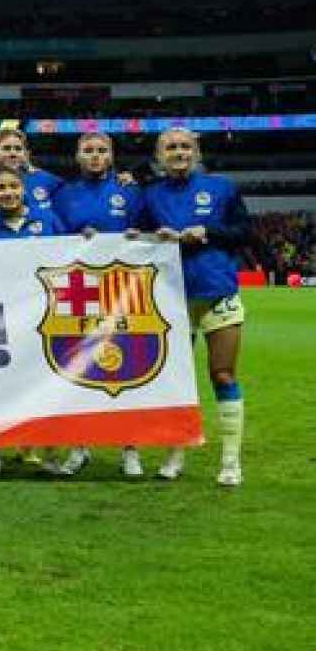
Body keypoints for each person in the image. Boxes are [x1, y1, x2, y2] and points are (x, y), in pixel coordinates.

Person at [135, 128, 250, 486]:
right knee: (177, 382)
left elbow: (244, 233)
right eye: (171, 147)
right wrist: (156, 237)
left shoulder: (222, 188)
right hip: (171, 299)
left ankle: (231, 461)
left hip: (218, 293)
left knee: (222, 375)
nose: (179, 152)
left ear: (196, 152)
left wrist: (208, 232)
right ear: (159, 154)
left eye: (185, 146)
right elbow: (135, 238)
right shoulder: (149, 195)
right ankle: (175, 453)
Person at [50, 132, 144, 476]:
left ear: (112, 155)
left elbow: (148, 231)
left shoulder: (130, 191)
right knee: (79, 369)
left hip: (123, 290)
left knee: (127, 369)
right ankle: (79, 446)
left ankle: (130, 447)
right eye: (88, 150)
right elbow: (53, 238)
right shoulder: (65, 194)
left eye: (101, 150)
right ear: (77, 156)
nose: (95, 156)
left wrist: (140, 235)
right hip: (80, 290)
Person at [0, 163, 67, 476]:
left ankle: (48, 453)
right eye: (0, 188)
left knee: (47, 386)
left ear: (23, 189)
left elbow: (69, 256)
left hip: (43, 316)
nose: (7, 193)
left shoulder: (47, 220)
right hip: (1, 318)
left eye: (12, 187)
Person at [0, 127, 63, 232]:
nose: (13, 154)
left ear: (26, 154)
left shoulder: (47, 180)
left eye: (18, 149)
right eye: (6, 148)